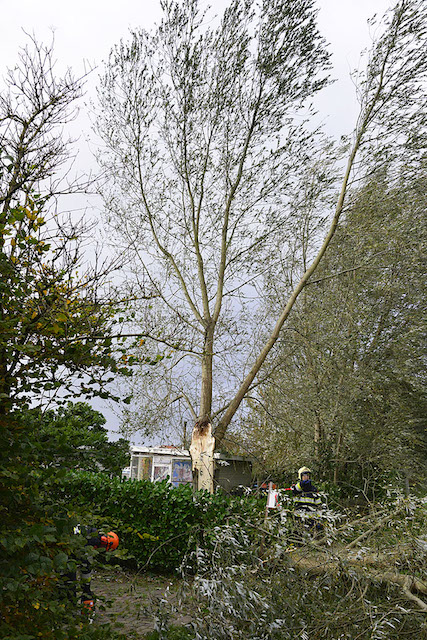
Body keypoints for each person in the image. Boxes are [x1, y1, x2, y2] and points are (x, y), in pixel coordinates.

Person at [63, 525, 119, 612]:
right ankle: (69, 611)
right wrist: (86, 591)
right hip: (65, 553)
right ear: (104, 543)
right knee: (69, 582)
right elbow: (86, 568)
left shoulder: (90, 530)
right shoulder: (91, 541)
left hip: (64, 547)